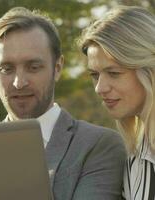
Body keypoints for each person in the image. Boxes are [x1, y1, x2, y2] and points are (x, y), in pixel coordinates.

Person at [0, 7, 126, 200]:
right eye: (6, 69)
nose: (19, 82)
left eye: (33, 67)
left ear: (57, 68)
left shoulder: (98, 146)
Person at [79, 5, 155, 200]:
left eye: (114, 73)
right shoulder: (135, 159)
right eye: (95, 75)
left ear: (150, 70)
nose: (99, 88)